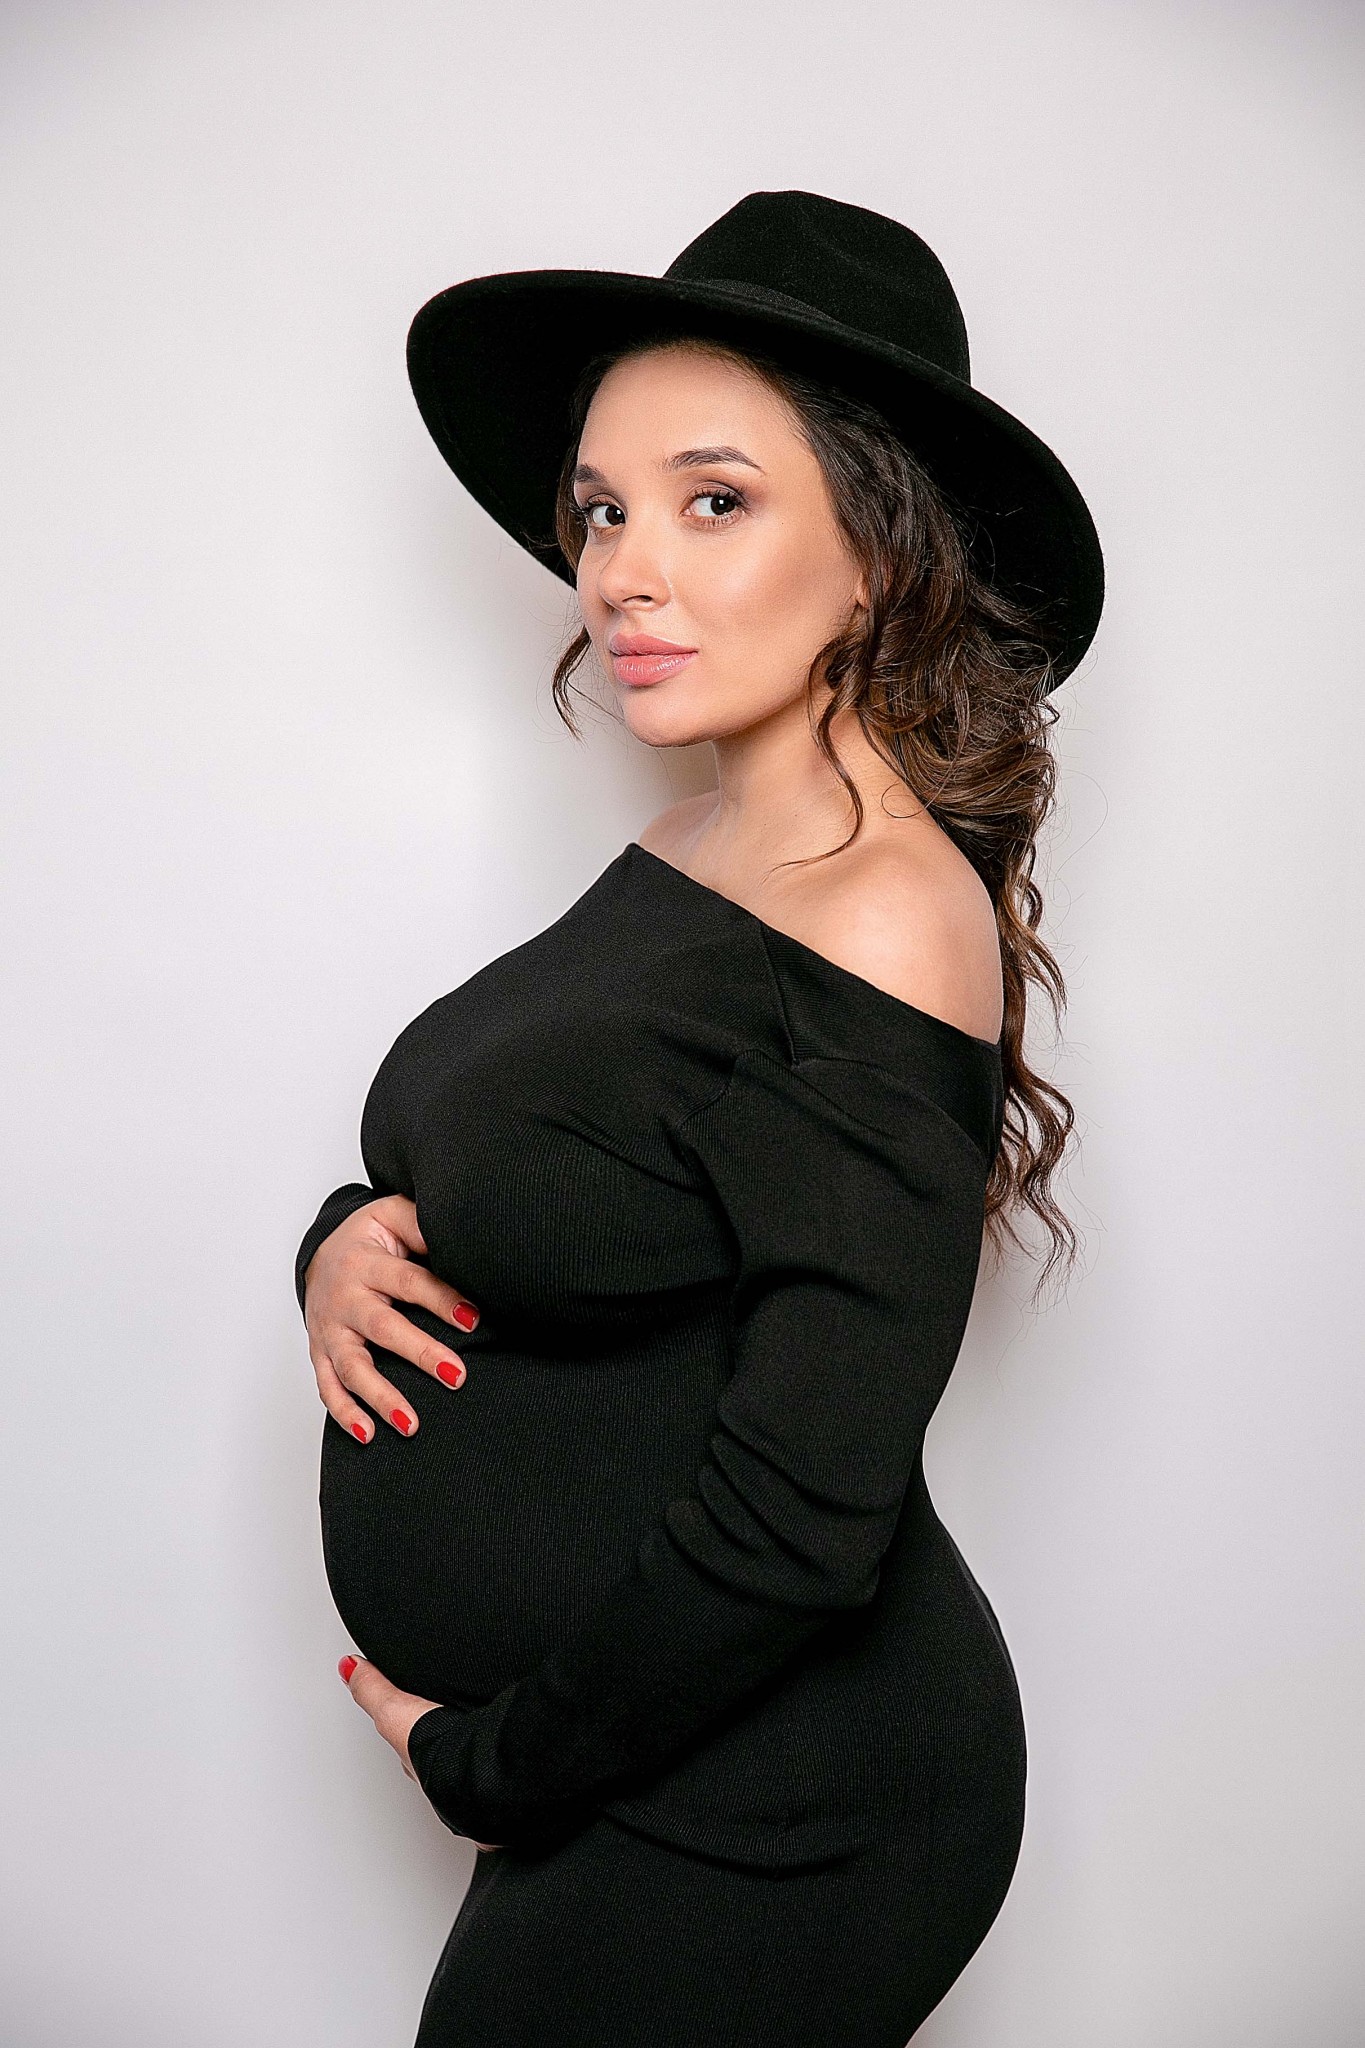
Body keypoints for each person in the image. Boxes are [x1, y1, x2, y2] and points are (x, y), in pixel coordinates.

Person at [293, 190, 1103, 2047]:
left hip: (785, 1805)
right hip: (644, 1763)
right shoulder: (698, 846)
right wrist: (338, 1245)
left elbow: (806, 1513)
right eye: (601, 510)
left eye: (712, 501)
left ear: (879, 554)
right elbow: (525, 1167)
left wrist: (499, 1766)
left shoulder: (882, 917)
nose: (621, 571)